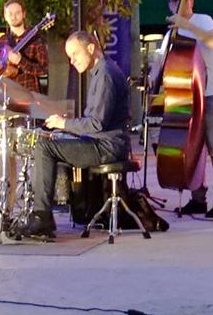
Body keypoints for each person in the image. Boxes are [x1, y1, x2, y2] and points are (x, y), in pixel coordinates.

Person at [27, 30, 156, 239]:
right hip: (103, 142)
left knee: (44, 146)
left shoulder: (105, 74)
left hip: (107, 147)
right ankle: (53, 210)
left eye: (75, 54)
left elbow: (97, 123)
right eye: (69, 57)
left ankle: (42, 217)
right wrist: (65, 127)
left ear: (90, 48)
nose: (72, 61)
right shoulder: (100, 71)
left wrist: (64, 123)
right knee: (51, 140)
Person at [154, 0, 213, 218]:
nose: (177, 4)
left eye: (182, 0)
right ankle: (198, 198)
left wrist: (185, 24)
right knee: (192, 149)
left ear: (191, 1)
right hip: (186, 97)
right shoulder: (171, 33)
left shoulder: (203, 20)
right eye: (173, 1)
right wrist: (151, 76)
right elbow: (160, 62)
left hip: (211, 92)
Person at [0, 0, 49, 95]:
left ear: (24, 14)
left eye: (17, 13)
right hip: (3, 94)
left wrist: (21, 61)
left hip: (27, 94)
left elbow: (43, 70)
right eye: (10, 14)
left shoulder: (37, 41)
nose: (14, 17)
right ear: (5, 16)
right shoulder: (2, 40)